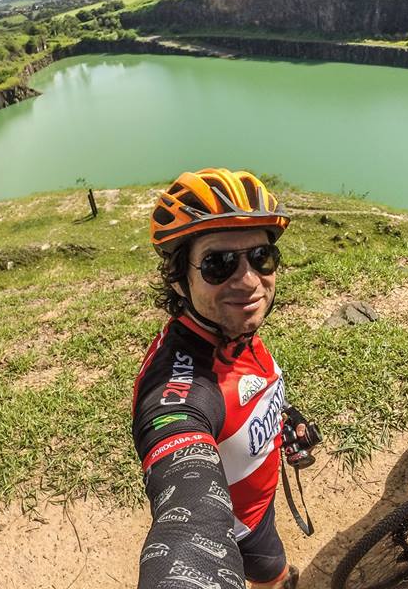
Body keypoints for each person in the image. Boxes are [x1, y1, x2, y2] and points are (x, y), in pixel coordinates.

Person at [132, 168, 309, 589]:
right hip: (244, 524)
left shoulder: (231, 330)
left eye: (261, 257)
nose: (248, 281)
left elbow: (248, 391)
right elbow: (187, 498)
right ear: (179, 278)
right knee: (275, 575)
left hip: (258, 500)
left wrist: (285, 415)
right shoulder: (177, 387)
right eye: (219, 263)